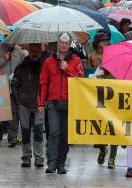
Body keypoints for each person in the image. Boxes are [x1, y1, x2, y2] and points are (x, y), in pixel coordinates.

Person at [39, 33, 84, 174]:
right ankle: (51, 163)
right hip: (53, 102)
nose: (63, 45)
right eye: (61, 42)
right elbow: (43, 83)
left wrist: (68, 69)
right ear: (57, 43)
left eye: (66, 43)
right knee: (53, 132)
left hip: (70, 102)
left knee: (65, 134)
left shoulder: (76, 60)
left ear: (70, 44)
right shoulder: (48, 61)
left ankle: (61, 163)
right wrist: (41, 103)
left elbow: (81, 80)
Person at [13, 44, 45, 168]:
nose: (35, 53)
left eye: (37, 51)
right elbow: (14, 85)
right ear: (28, 51)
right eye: (33, 51)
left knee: (38, 132)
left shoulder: (44, 67)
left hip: (40, 105)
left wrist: (44, 100)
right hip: (24, 104)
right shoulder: (20, 68)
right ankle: (26, 157)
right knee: (25, 131)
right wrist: (18, 101)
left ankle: (39, 158)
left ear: (40, 52)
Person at [0, 42, 26, 147]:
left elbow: (23, 68)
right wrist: (4, 59)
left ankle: (12, 137)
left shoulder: (19, 52)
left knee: (13, 114)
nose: (13, 43)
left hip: (13, 88)